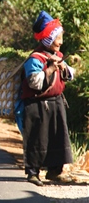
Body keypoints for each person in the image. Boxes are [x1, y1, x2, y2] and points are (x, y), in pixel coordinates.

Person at [21, 10, 75, 186]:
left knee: (57, 136)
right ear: (48, 39)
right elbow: (34, 82)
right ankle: (32, 172)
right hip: (37, 106)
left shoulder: (58, 56)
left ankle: (55, 171)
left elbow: (70, 74)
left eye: (60, 37)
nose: (60, 41)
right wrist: (50, 69)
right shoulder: (35, 59)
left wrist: (64, 69)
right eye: (57, 37)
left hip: (56, 104)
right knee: (37, 138)